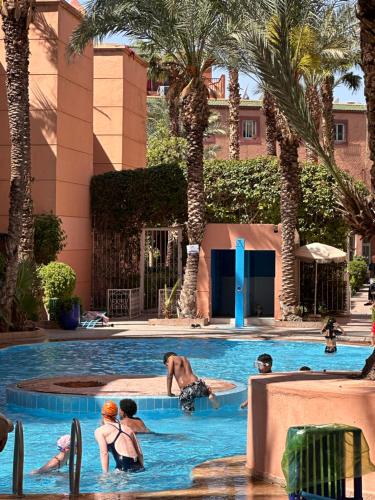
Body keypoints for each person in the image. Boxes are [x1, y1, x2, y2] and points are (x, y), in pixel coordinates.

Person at [95, 400, 144, 473]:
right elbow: (140, 453)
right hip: (139, 466)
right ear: (115, 414)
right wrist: (142, 467)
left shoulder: (100, 431)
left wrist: (105, 475)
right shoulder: (127, 428)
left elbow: (104, 453)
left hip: (124, 468)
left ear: (103, 414)